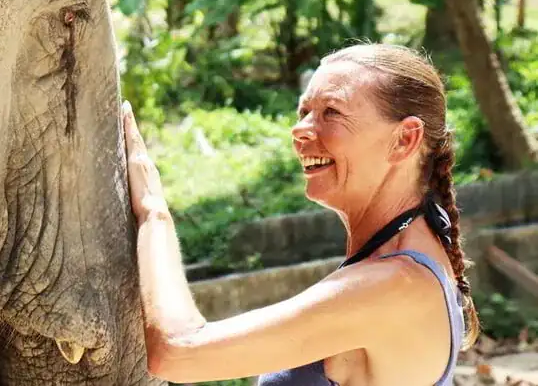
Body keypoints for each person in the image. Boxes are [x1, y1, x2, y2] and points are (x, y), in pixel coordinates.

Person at [121, 43, 479, 386]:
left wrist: (154, 213)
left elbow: (177, 350)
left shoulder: (394, 285)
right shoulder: (414, 250)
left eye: (331, 112)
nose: (300, 129)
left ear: (404, 140)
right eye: (303, 112)